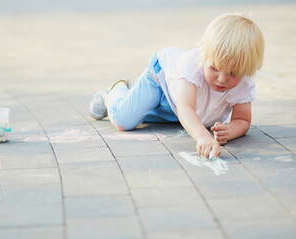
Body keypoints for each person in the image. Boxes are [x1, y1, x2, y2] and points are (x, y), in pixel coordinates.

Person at [89, 13, 265, 158]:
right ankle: (116, 90)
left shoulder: (245, 83)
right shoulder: (191, 66)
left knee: (157, 118)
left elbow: (242, 120)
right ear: (205, 55)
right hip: (161, 81)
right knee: (123, 120)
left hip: (176, 110)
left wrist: (230, 131)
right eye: (214, 68)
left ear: (247, 70)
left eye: (233, 73)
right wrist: (203, 137)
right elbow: (186, 109)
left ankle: (136, 99)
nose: (221, 79)